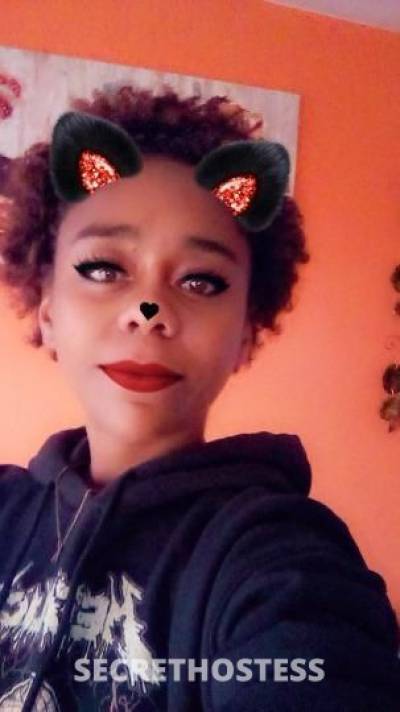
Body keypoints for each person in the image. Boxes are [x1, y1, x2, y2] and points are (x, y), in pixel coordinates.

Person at [0, 83, 398, 712]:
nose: (148, 309)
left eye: (201, 280)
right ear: (47, 313)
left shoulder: (277, 557)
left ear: (246, 335)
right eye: (104, 268)